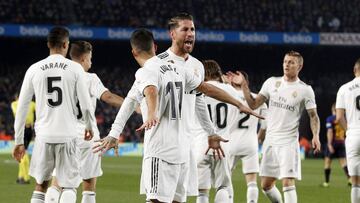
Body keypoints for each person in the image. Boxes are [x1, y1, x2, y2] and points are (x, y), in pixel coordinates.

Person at [93, 28, 261, 203]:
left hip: (160, 148)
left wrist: (147, 116)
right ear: (155, 47)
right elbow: (205, 91)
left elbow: (150, 91)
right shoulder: (179, 68)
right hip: (184, 150)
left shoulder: (145, 71)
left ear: (133, 52)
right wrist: (238, 104)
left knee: (155, 200)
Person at [12, 26, 94, 203]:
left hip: (44, 135)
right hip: (68, 135)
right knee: (69, 185)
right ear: (66, 44)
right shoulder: (75, 69)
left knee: (41, 186)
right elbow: (86, 105)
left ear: (48, 44)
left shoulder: (34, 69)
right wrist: (89, 126)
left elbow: (22, 108)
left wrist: (19, 141)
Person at [227, 50, 321, 203]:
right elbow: (253, 104)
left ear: (300, 66)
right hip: (270, 140)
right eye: (285, 61)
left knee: (287, 182)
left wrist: (315, 135)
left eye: (291, 62)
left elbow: (313, 116)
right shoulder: (271, 82)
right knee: (266, 185)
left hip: (288, 142)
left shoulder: (305, 90)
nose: (286, 65)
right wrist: (244, 85)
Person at [44, 41, 124, 203]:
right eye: (90, 59)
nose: (91, 63)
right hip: (88, 137)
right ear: (83, 58)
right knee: (88, 187)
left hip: (62, 135)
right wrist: (132, 105)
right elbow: (108, 97)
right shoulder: (90, 78)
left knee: (58, 182)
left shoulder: (58, 77)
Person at [194, 60, 239, 203]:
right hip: (222, 144)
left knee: (201, 192)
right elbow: (234, 117)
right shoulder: (230, 90)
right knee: (223, 187)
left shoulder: (197, 89)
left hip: (200, 144)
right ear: (218, 73)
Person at [226, 71, 267, 203]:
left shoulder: (226, 96)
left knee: (226, 179)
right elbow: (265, 125)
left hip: (230, 141)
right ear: (246, 83)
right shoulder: (257, 99)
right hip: (250, 142)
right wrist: (258, 138)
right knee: (252, 181)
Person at [335, 58, 360, 203]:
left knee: (355, 182)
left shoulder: (344, 88)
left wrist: (348, 131)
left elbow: (338, 117)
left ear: (354, 69)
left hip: (353, 135)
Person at [322, 103, 350, 187]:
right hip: (341, 142)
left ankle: (326, 182)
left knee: (327, 162)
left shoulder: (330, 119)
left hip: (333, 143)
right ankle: (350, 179)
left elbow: (330, 131)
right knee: (343, 163)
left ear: (333, 110)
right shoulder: (343, 119)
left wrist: (330, 144)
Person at [11, 93, 36, 184]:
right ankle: (20, 176)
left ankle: (26, 177)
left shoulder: (16, 104)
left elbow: (17, 113)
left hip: (24, 130)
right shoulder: (30, 103)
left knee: (22, 152)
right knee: (22, 151)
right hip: (26, 129)